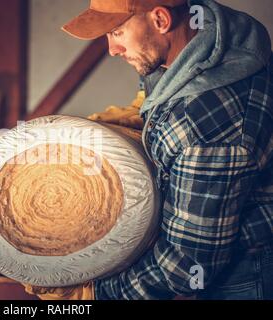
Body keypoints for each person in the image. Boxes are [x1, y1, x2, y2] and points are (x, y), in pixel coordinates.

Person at [24, 0, 273, 300]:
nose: (112, 50)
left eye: (117, 32)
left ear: (160, 19)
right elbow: (165, 85)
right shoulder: (217, 40)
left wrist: (92, 294)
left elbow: (187, 265)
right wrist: (144, 111)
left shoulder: (205, 130)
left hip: (247, 276)